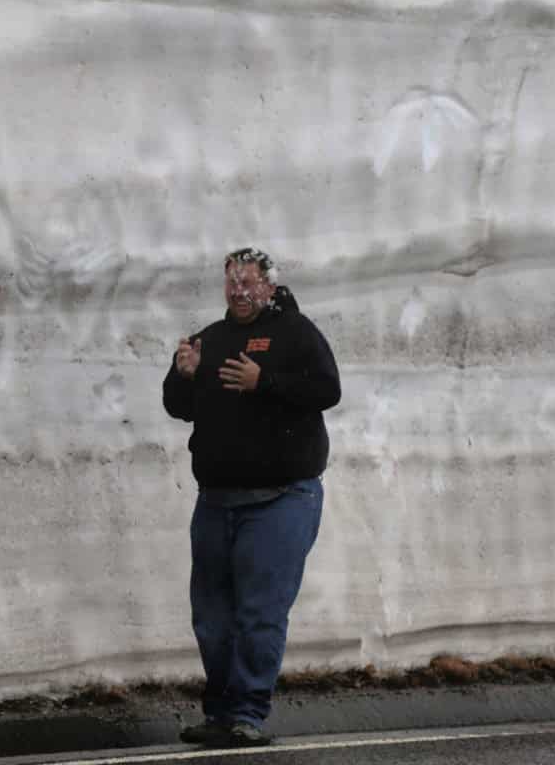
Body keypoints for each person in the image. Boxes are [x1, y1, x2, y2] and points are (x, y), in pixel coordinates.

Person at [162, 246, 340, 748]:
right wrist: (184, 374)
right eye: (232, 284)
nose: (240, 292)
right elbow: (178, 407)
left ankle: (246, 712)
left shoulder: (296, 333)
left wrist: (266, 383)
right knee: (212, 616)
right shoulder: (210, 339)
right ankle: (220, 712)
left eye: (249, 284)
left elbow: (327, 389)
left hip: (282, 498)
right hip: (216, 500)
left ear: (268, 286)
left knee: (258, 612)